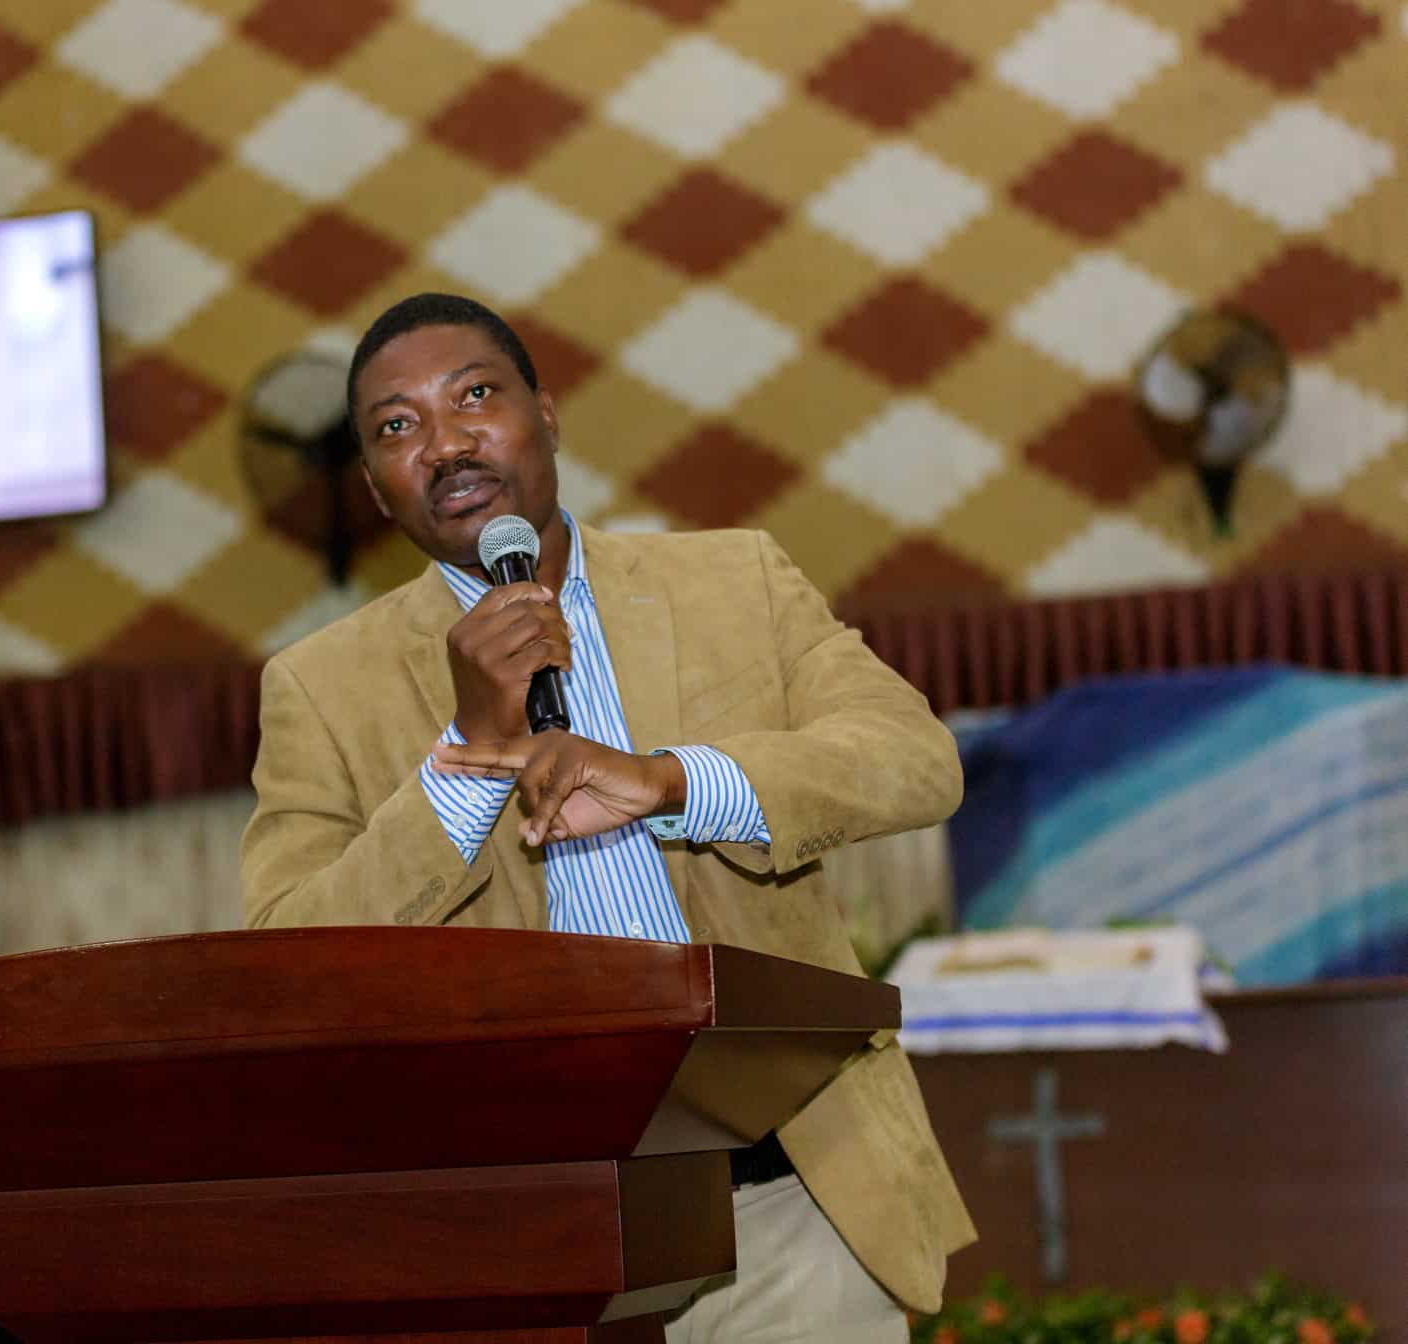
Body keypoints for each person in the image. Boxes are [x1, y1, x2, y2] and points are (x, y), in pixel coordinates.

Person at [240, 292, 973, 1342]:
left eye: (475, 397)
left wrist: (674, 782)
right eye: (398, 427)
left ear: (546, 415)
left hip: (785, 1209)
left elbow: (914, 759)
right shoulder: (320, 688)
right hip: (510, 1242)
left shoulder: (733, 579)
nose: (444, 444)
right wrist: (466, 762)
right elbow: (283, 965)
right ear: (372, 485)